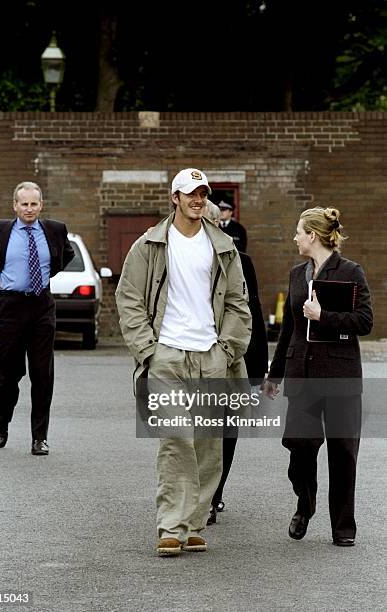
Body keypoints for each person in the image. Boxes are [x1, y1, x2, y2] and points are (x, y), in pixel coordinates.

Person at [115, 168, 251, 556]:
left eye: (203, 194)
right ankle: (171, 526)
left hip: (213, 357)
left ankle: (193, 523)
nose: (197, 199)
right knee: (175, 440)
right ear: (174, 197)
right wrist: (148, 350)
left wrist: (227, 350)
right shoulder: (150, 245)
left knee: (209, 446)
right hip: (168, 357)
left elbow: (239, 304)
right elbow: (129, 299)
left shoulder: (223, 245)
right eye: (190, 193)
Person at [263, 206, 373, 547]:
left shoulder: (351, 272)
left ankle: (343, 527)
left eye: (299, 231)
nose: (295, 237)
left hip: (340, 375)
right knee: (299, 446)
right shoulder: (297, 274)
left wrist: (324, 315)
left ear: (313, 235)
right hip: (302, 374)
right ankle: (305, 503)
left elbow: (364, 321)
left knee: (343, 452)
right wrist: (275, 372)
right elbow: (289, 329)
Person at [0, 181, 74, 455]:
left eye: (34, 204)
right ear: (15, 206)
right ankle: (2, 420)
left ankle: (39, 437)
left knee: (43, 373)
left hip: (42, 305)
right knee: (10, 372)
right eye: (24, 204)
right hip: (10, 306)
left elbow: (67, 254)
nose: (29, 209)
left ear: (41, 205)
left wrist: (45, 275)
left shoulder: (54, 230)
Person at [204, 200, 268, 524]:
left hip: (230, 360)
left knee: (227, 427)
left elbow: (253, 313)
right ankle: (198, 493)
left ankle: (214, 495)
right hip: (193, 360)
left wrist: (258, 369)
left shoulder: (242, 262)